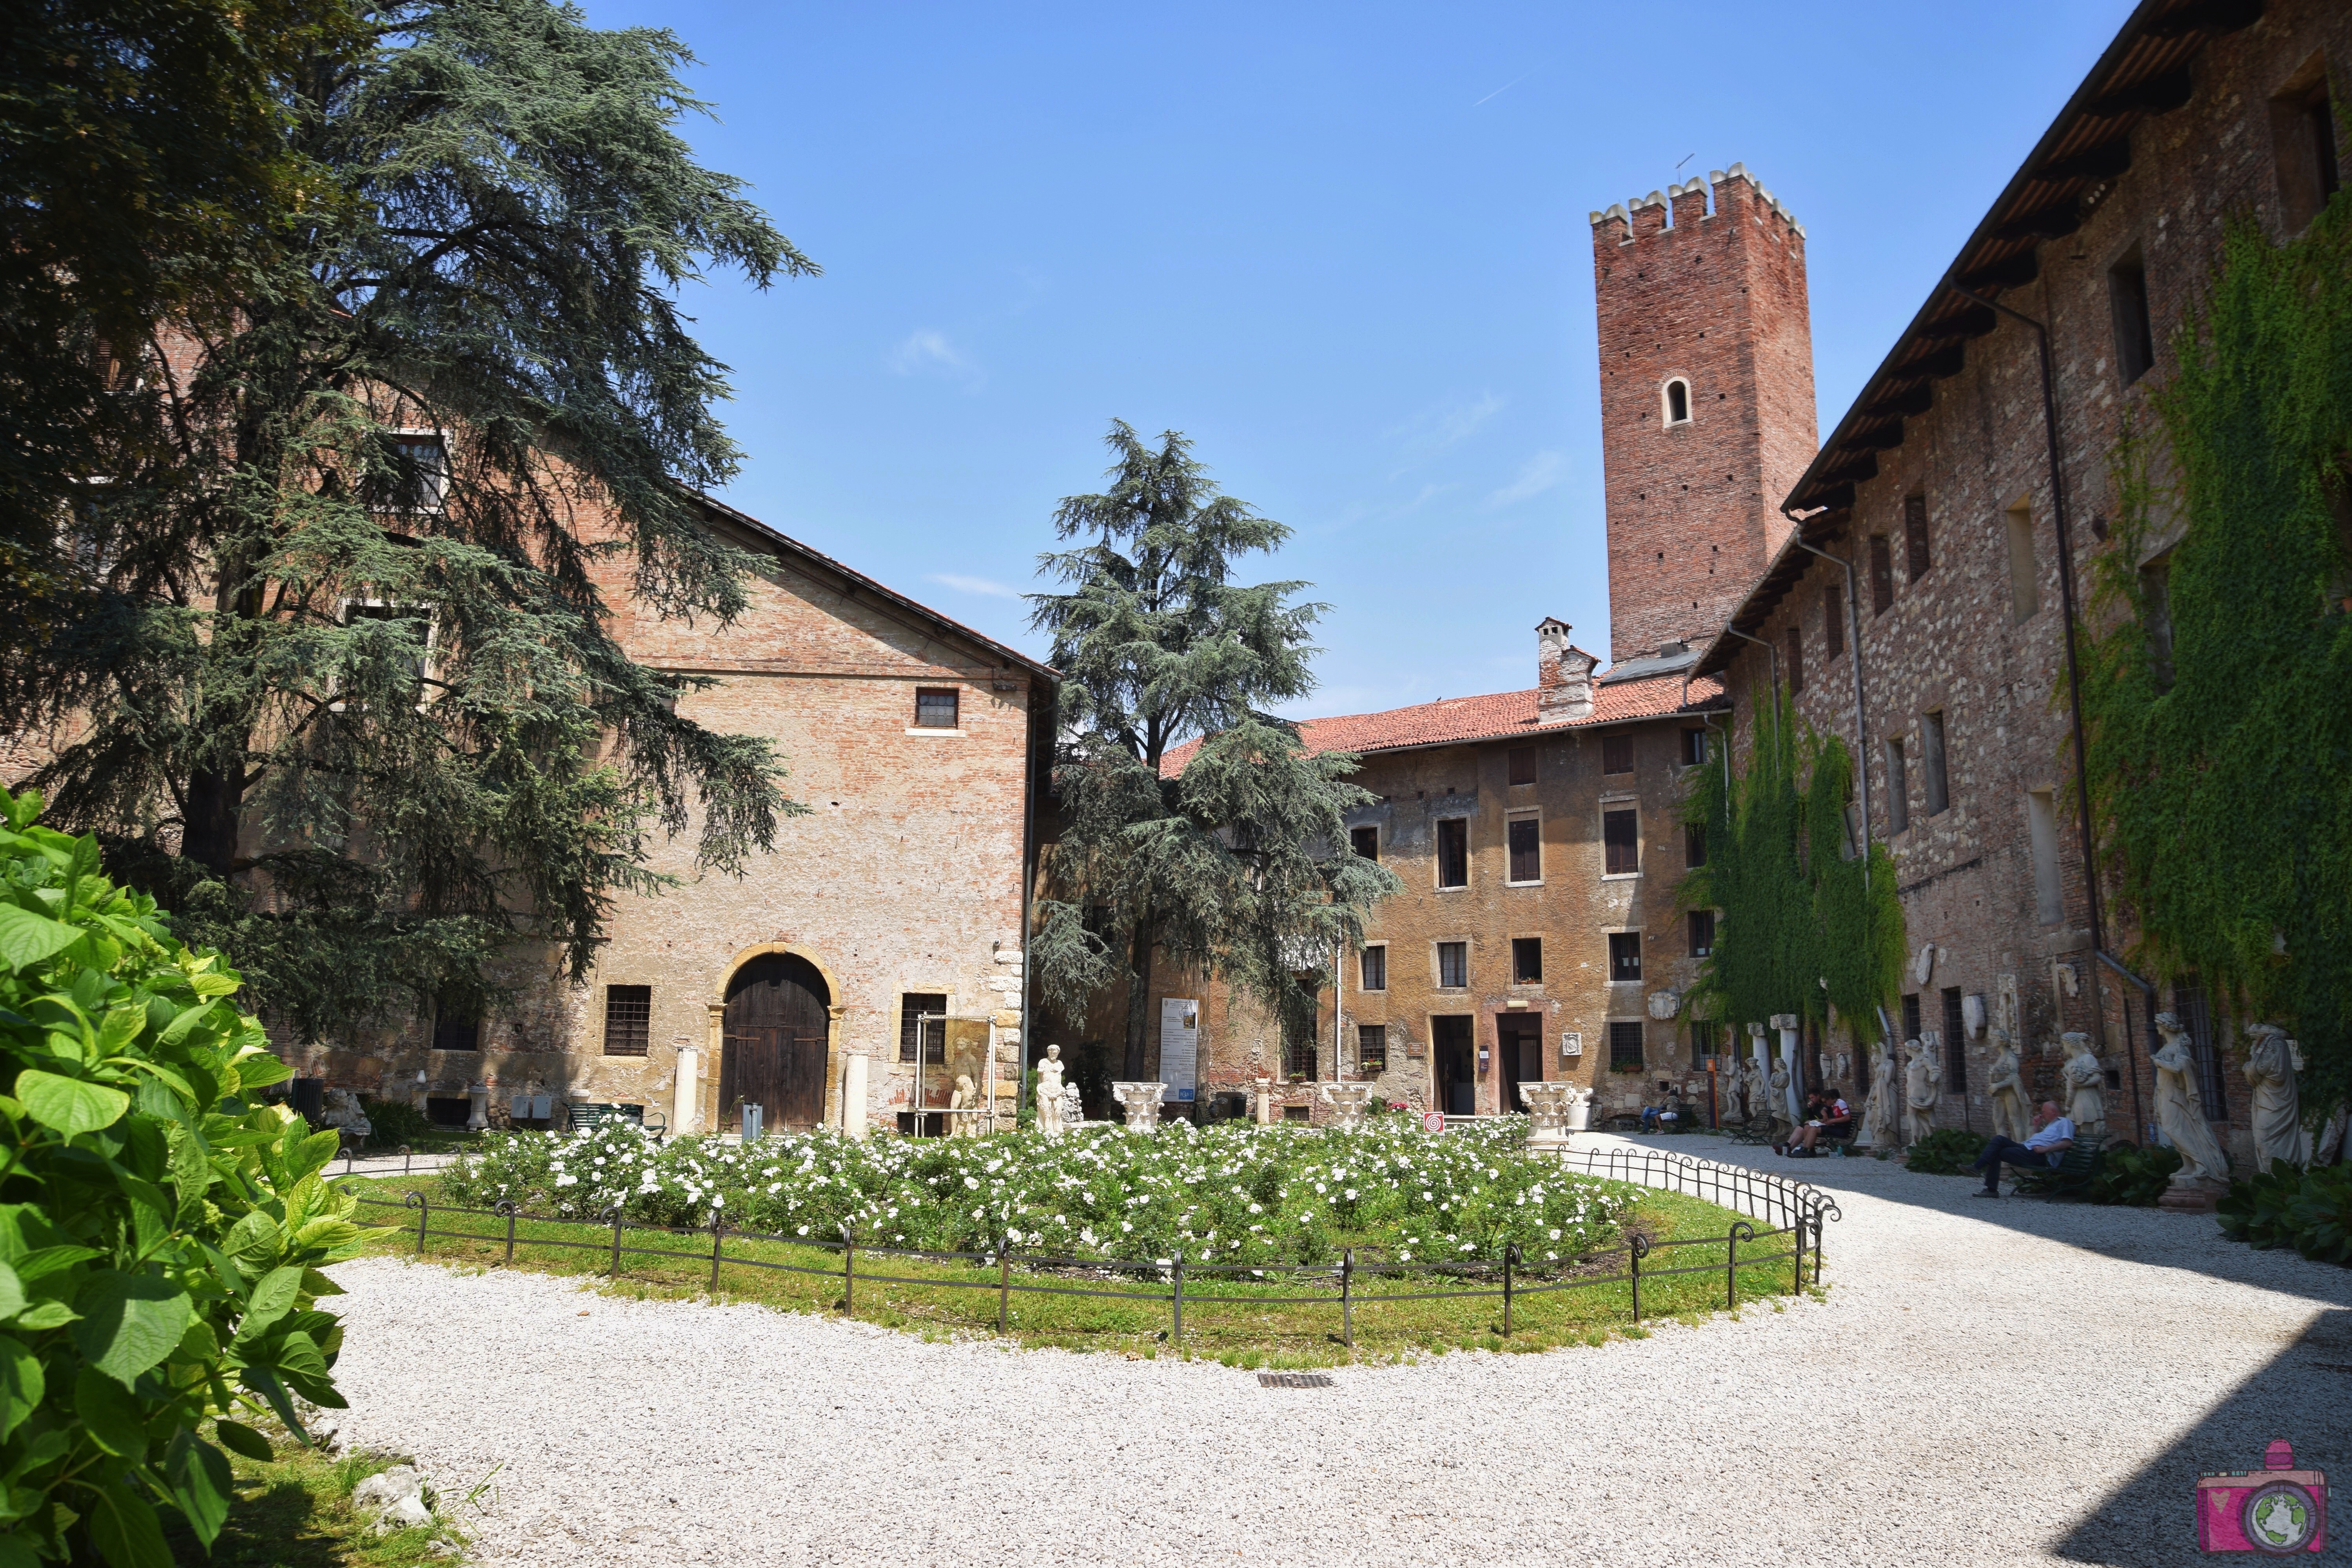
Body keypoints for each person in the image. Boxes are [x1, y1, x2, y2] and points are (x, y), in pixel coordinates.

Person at [1970, 1100, 2074, 1195]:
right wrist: (2036, 1127)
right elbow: (2034, 1140)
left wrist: (2045, 1149)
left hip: (2041, 1156)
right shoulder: (2051, 1125)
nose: (2042, 1115)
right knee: (1998, 1141)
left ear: (2053, 1112)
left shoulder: (2065, 1122)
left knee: (1997, 1148)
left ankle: (1985, 1180)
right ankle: (1980, 1173)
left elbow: (2067, 1143)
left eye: (2044, 1112)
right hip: (2028, 1148)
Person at [1781, 1090, 1852, 1156]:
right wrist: (1825, 1120)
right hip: (1836, 1126)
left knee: (1814, 1129)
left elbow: (1847, 1118)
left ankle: (1807, 1150)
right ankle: (1806, 1149)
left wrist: (1832, 1121)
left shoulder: (1841, 1103)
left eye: (1825, 1102)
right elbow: (1829, 1112)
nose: (1825, 1104)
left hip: (1842, 1129)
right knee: (1807, 1126)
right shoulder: (1833, 1104)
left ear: (1830, 1099)